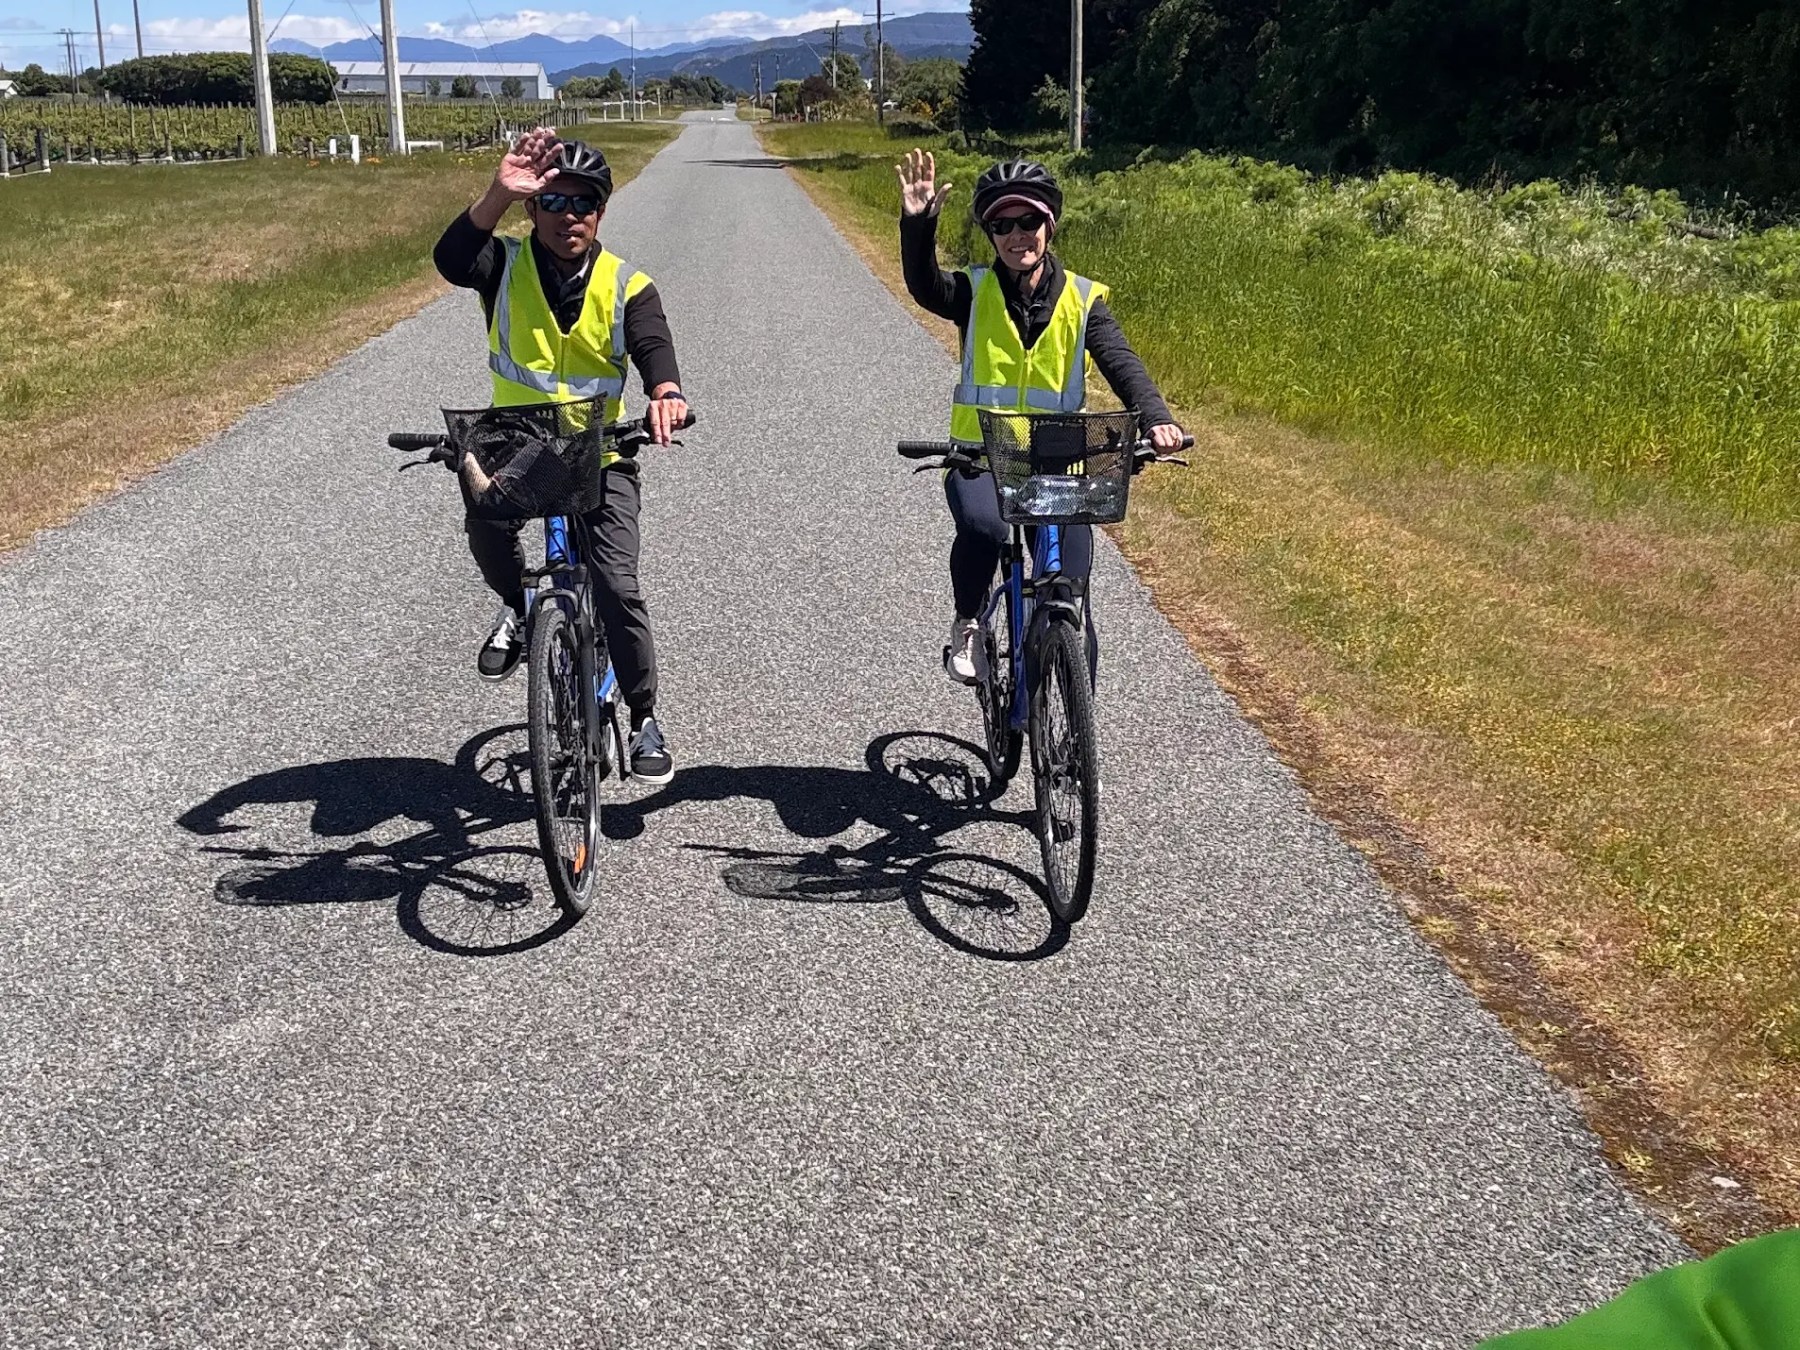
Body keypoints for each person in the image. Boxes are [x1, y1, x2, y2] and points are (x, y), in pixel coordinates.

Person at [434, 129, 688, 784]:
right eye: (552, 202)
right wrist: (497, 192)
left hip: (602, 454)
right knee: (484, 516)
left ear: (600, 211)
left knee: (616, 584)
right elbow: (451, 259)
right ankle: (520, 613)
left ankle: (643, 717)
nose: (567, 214)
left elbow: (654, 347)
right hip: (518, 448)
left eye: (583, 203)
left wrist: (666, 393)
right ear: (533, 209)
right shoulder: (505, 265)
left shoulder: (628, 284)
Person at [895, 152, 1186, 684]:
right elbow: (923, 286)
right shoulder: (974, 291)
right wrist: (918, 225)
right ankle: (969, 623)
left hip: (1056, 460)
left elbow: (1120, 361)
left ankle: (1073, 734)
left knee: (1070, 587)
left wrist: (1155, 419)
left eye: (1028, 221)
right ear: (991, 234)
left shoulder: (1082, 299)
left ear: (1048, 225)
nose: (1016, 235)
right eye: (1002, 226)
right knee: (985, 527)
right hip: (979, 455)